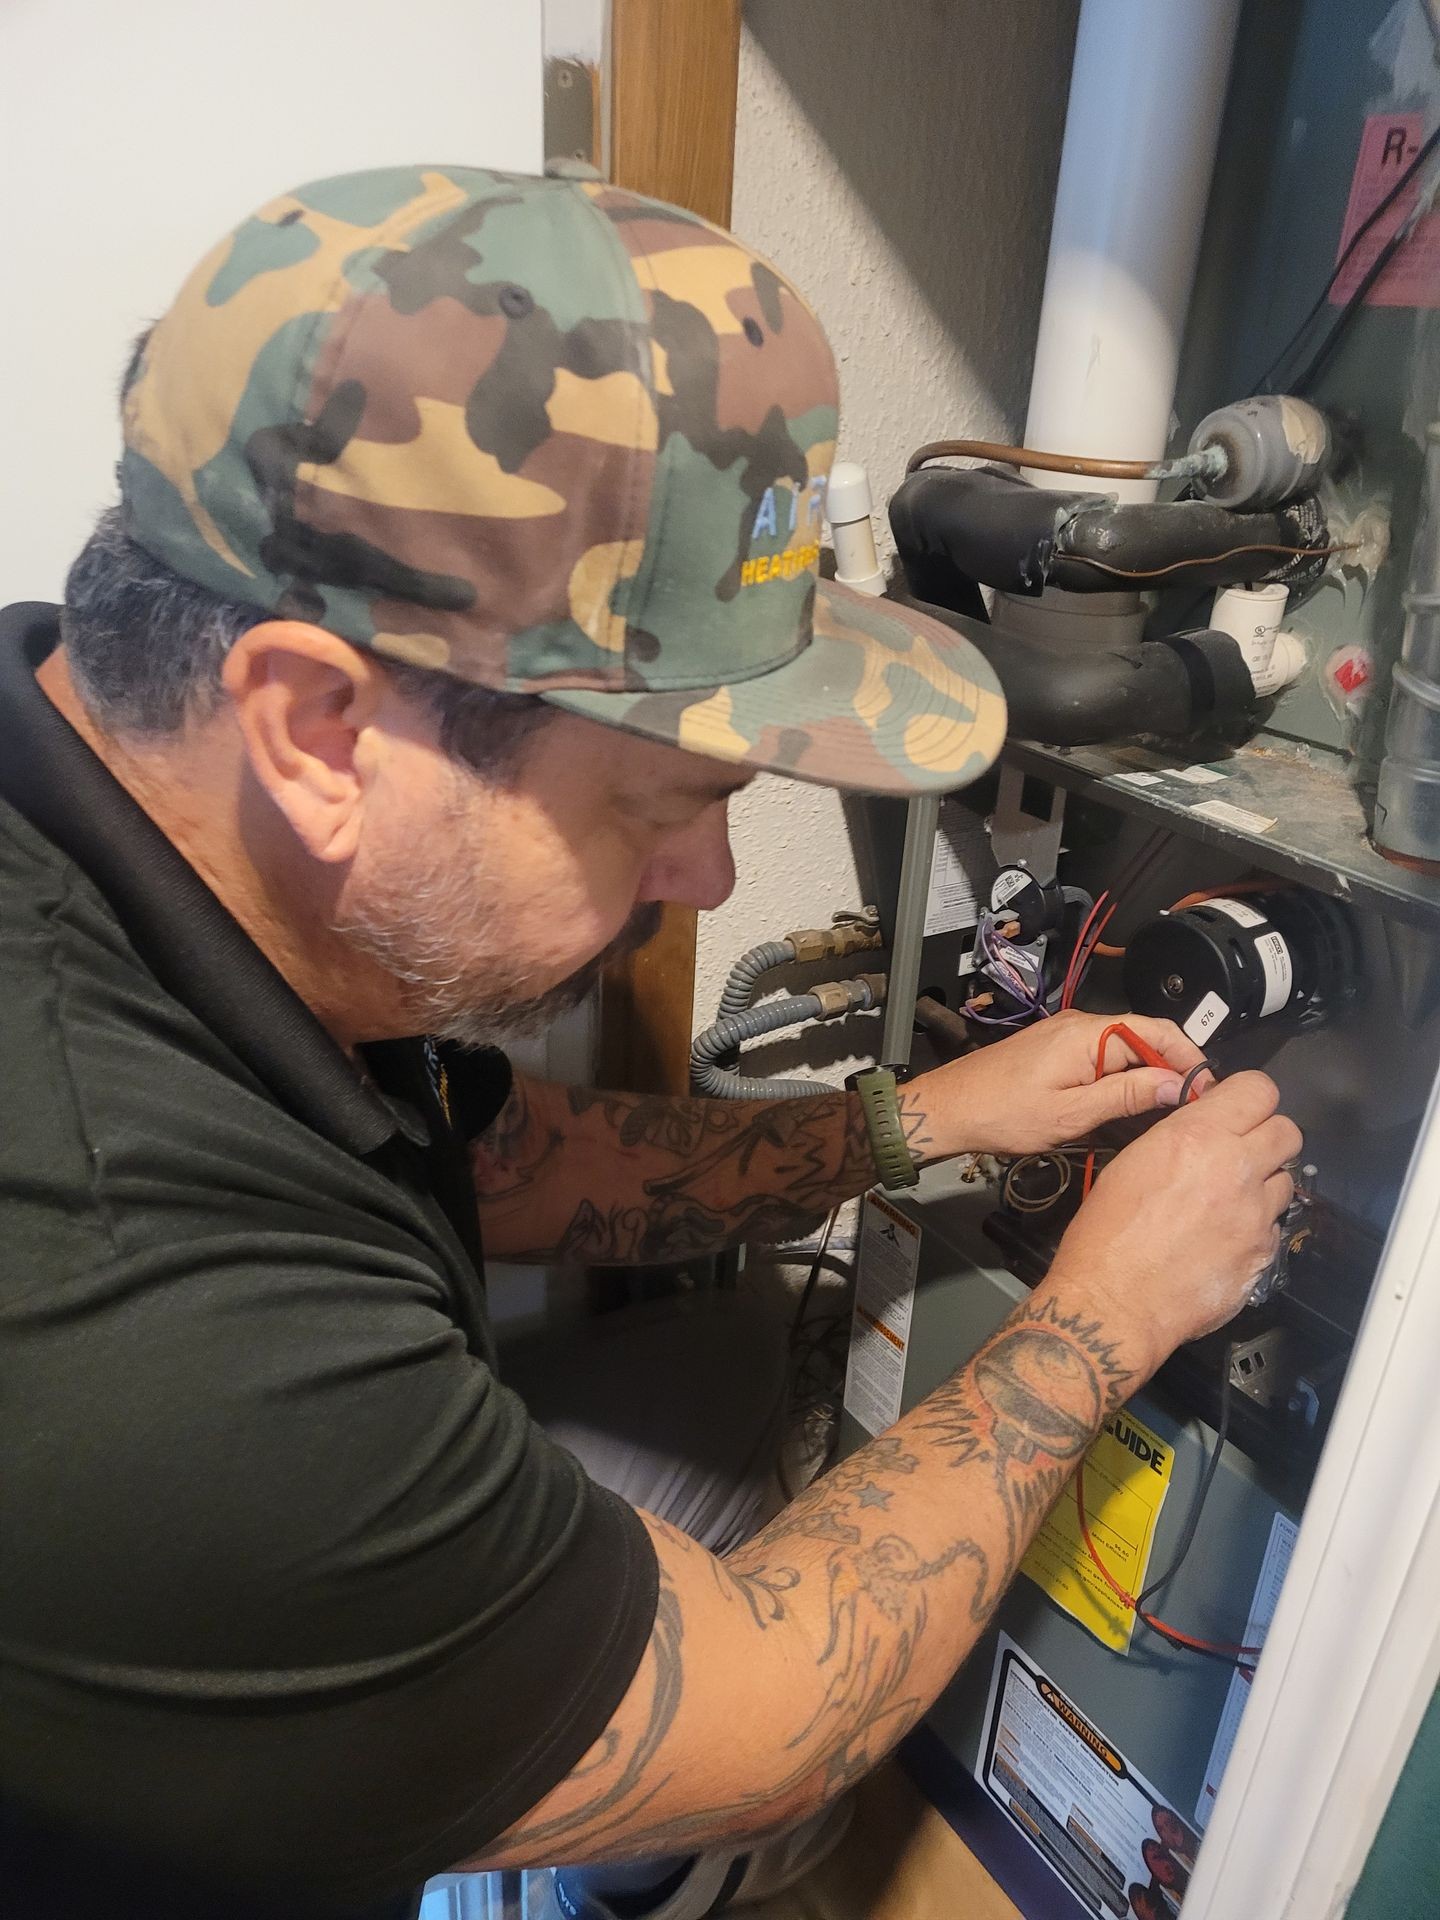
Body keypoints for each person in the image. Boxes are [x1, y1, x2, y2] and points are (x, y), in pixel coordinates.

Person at [0, 163, 1301, 1920]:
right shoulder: (141, 1323)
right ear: (317, 729)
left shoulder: (125, 812)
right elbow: (766, 1708)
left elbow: (514, 1159)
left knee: (708, 1406)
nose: (700, 880)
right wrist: (1109, 1308)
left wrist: (914, 1122)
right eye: (664, 805)